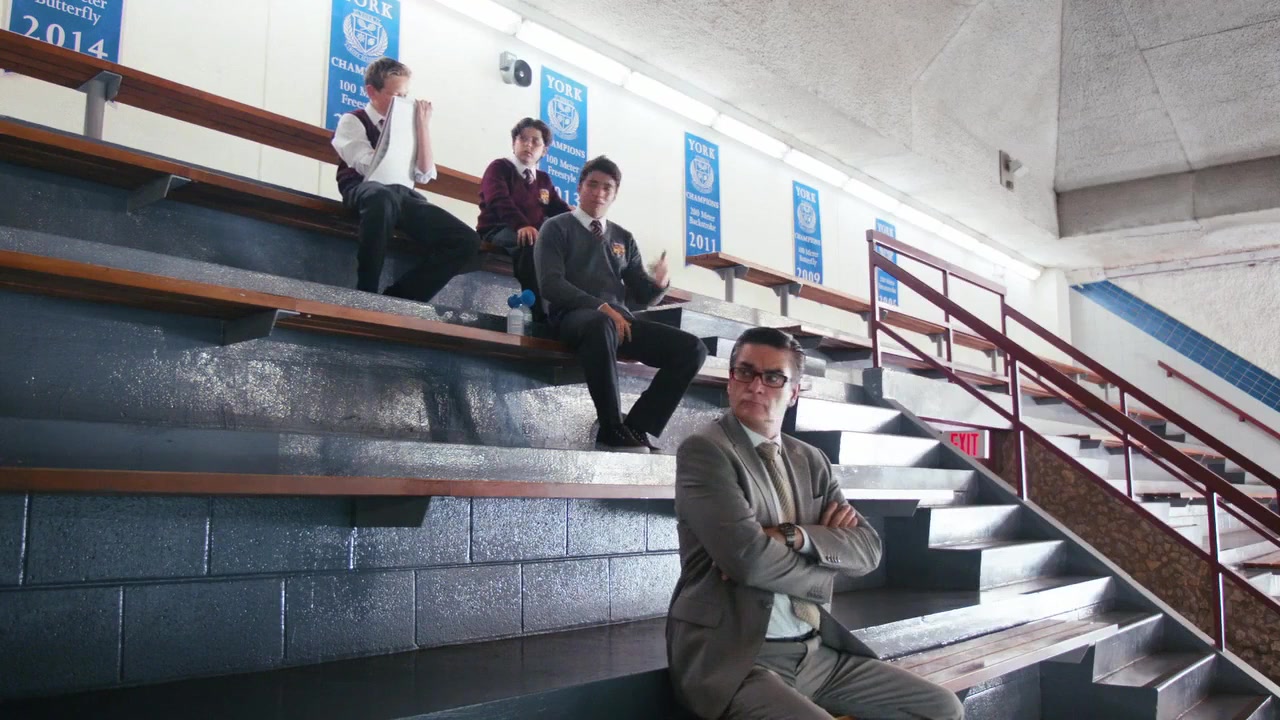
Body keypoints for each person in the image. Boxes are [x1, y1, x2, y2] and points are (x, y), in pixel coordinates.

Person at [667, 327, 965, 720]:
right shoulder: (707, 451)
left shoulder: (811, 460)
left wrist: (795, 535)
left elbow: (868, 550)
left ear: (794, 392)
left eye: (773, 377)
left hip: (816, 652)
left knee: (942, 709)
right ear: (730, 379)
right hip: (739, 660)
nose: (756, 386)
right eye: (746, 372)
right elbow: (748, 561)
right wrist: (825, 571)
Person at [534, 156, 707, 453]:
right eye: (592, 185)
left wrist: (660, 284)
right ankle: (611, 427)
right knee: (601, 323)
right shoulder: (555, 227)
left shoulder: (623, 237)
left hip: (619, 322)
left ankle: (637, 426)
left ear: (615, 195)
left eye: (607, 188)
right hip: (572, 318)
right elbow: (551, 284)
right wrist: (601, 307)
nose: (599, 193)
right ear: (579, 187)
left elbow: (642, 295)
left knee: (693, 349)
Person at [331, 57, 479, 301]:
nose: (402, 102)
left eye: (405, 96)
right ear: (372, 92)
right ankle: (367, 291)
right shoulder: (353, 120)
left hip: (402, 194)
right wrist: (395, 134)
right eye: (396, 96)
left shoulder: (410, 126)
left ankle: (402, 295)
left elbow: (424, 173)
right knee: (382, 197)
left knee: (466, 241)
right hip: (365, 188)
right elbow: (367, 166)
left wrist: (422, 127)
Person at [477, 117, 572, 322]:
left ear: (544, 150)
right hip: (497, 229)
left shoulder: (543, 180)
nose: (528, 145)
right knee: (532, 243)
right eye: (523, 139)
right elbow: (498, 200)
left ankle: (564, 311)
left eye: (535, 141)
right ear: (514, 143)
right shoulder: (499, 167)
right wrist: (521, 225)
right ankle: (539, 316)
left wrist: (578, 221)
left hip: (531, 235)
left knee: (563, 252)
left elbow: (558, 208)